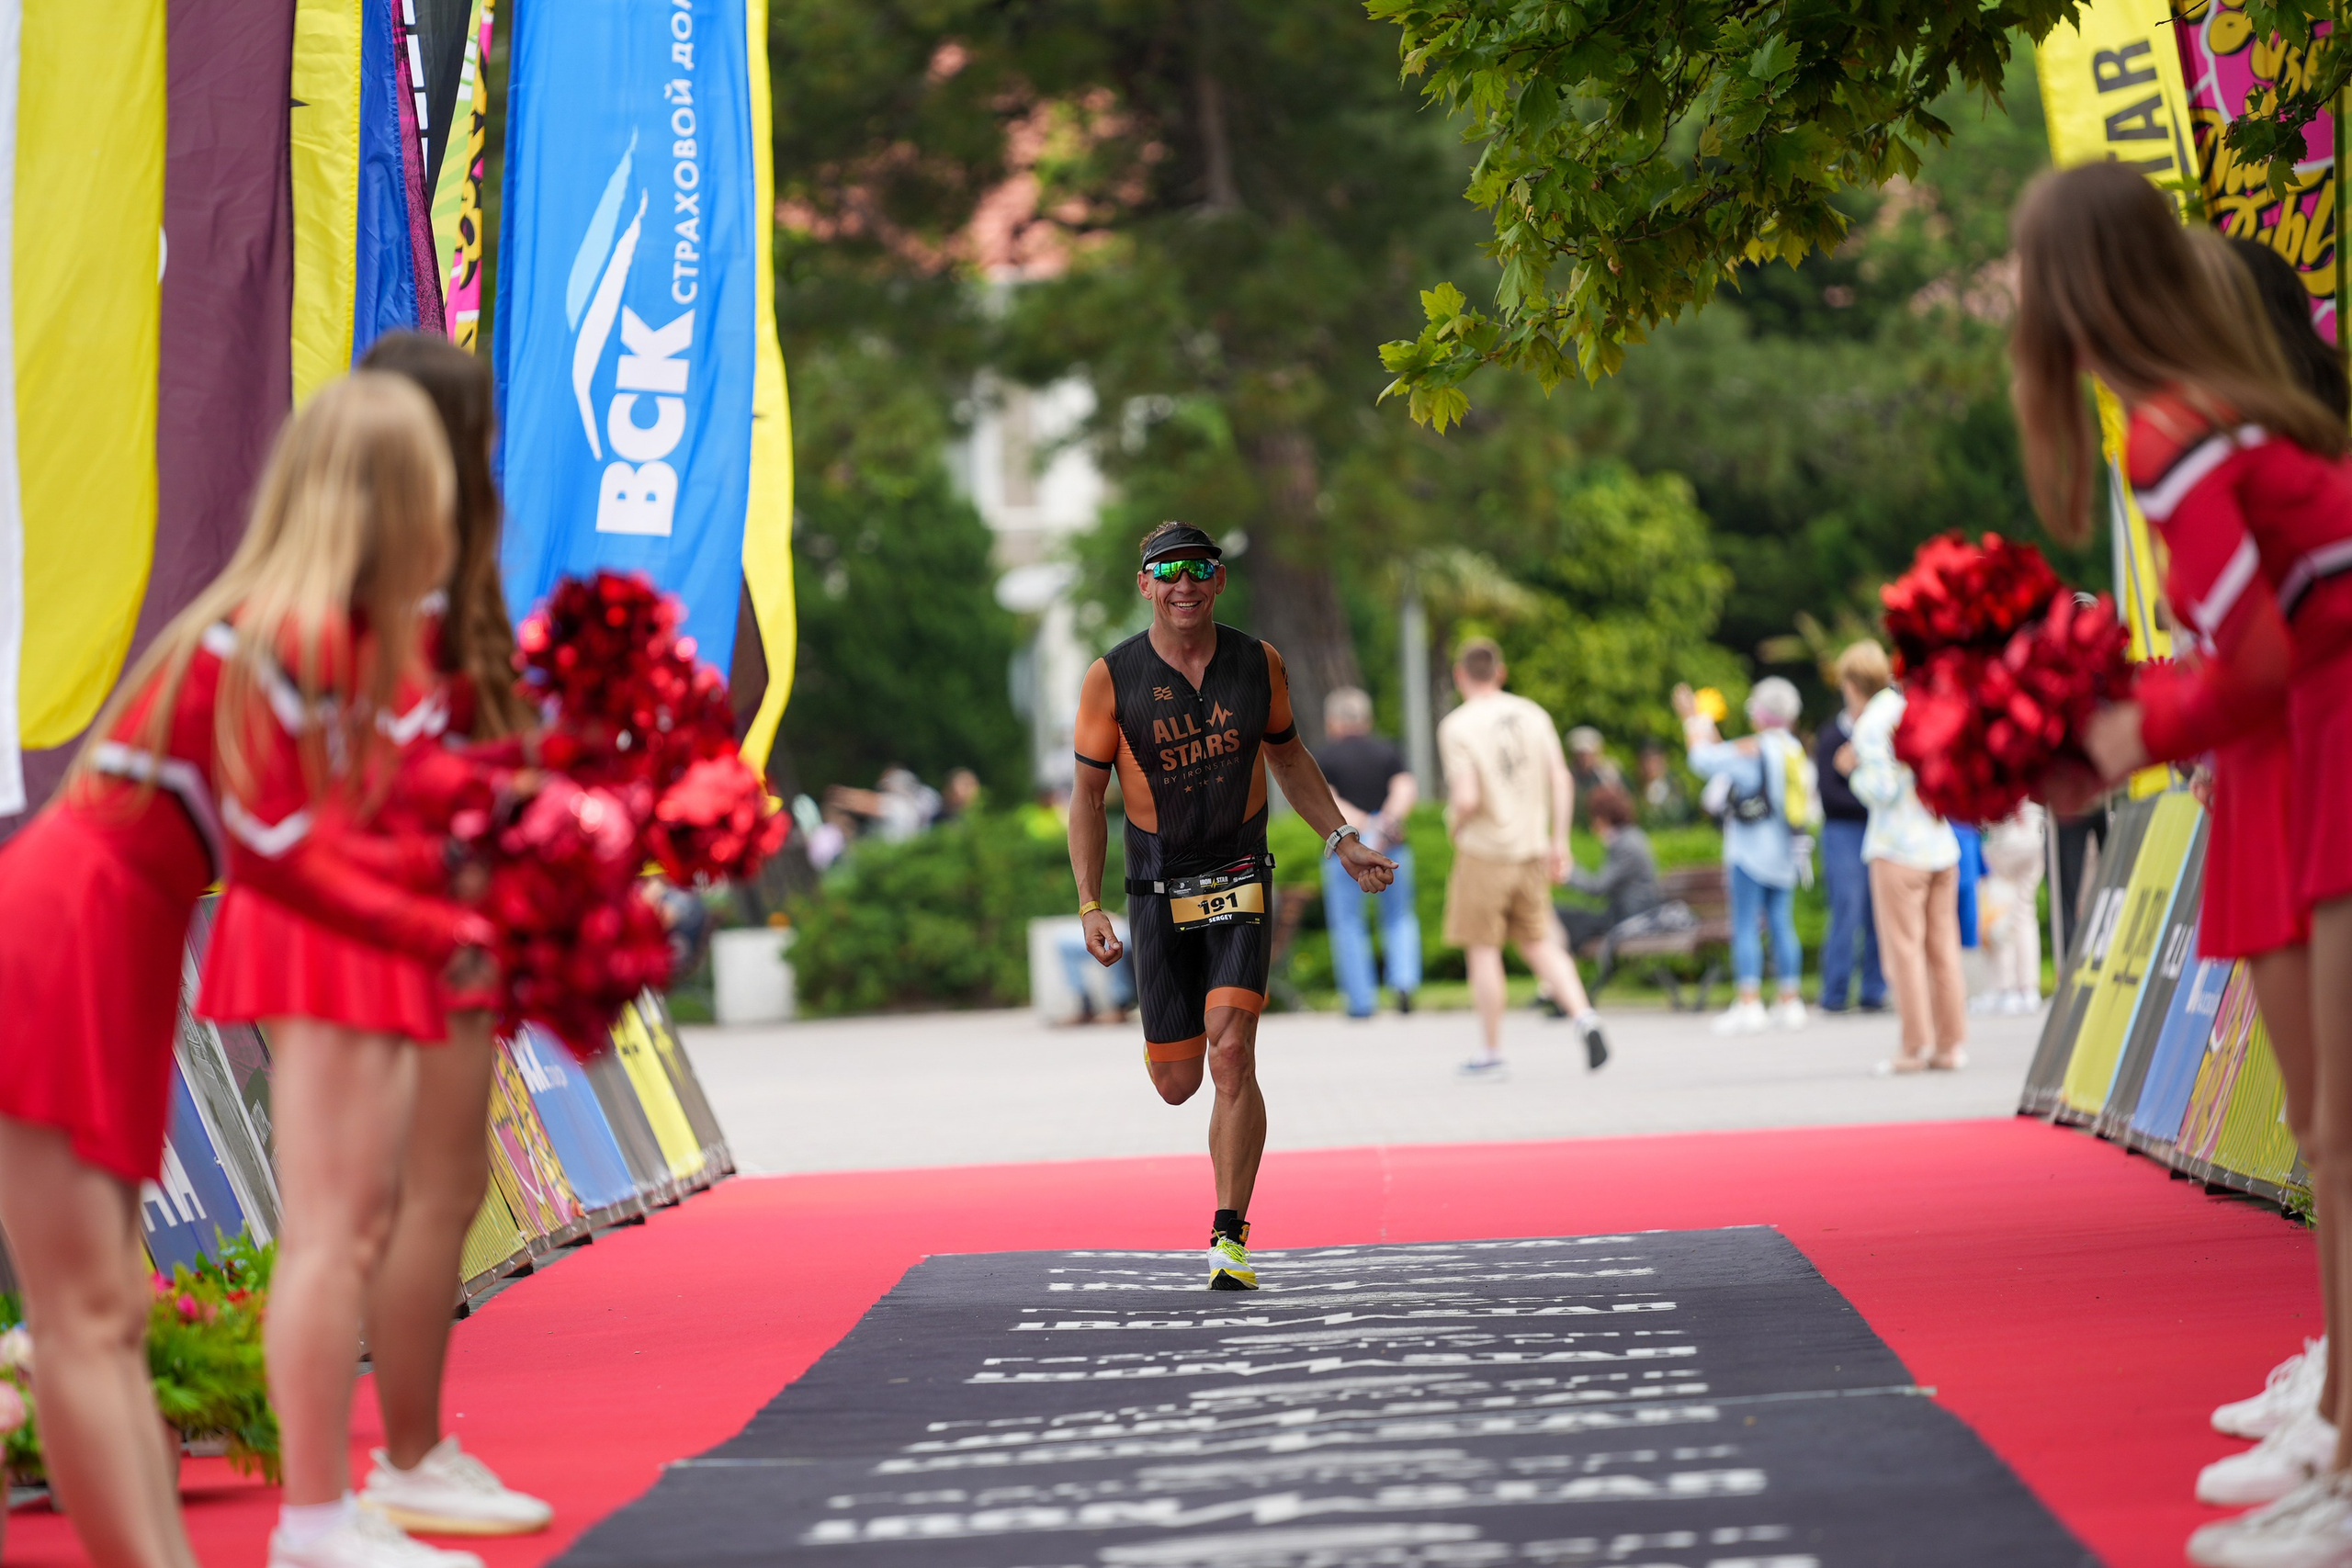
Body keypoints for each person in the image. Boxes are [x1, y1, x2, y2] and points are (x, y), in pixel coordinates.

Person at [0, 375, 494, 1568]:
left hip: (108, 929)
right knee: (83, 1314)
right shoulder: (288, 635)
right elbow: (294, 860)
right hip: (75, 928)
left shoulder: (282, 626)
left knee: (102, 1311)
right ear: (395, 502)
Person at [2007, 162, 2352, 1561]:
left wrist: (2109, 727)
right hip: (2310, 738)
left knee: (2341, 1131)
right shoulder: (2222, 416)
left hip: (2326, 738)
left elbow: (2259, 659)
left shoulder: (2173, 434)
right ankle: (2337, 1435)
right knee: (2333, 1133)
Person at [1068, 522, 1396, 1291]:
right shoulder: (1111, 677)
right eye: (1168, 571)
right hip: (1155, 889)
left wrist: (1342, 839)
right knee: (1178, 1080)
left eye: (1199, 570)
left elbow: (1288, 754)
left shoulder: (1260, 663)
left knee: (1233, 1052)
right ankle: (1171, 1057)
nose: (1185, 584)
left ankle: (1229, 1236)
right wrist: (1088, 901)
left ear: (1218, 581)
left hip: (1240, 874)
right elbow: (1086, 795)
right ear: (1145, 584)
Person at [349, 332, 555, 1540]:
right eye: (478, 431)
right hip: (408, 916)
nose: (493, 453)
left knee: (421, 1189)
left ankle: (405, 1450)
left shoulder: (431, 577)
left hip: (431, 907)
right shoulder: (404, 587)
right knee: (409, 1194)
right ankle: (400, 1453)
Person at [1438, 637, 1609, 1076]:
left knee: (1483, 949)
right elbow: (1561, 778)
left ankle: (1492, 1053)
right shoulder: (1534, 714)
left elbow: (1467, 797)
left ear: (1460, 675)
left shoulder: (1458, 725)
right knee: (1539, 941)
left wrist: (1452, 823)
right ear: (1501, 672)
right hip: (1532, 849)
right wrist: (1560, 841)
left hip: (1484, 853)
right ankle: (1584, 1017)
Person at [1845, 661, 1966, 1072]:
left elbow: (1882, 788)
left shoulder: (1870, 724)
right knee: (1944, 951)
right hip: (1939, 842)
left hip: (1898, 848)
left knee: (1905, 953)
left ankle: (1914, 1047)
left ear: (1852, 685)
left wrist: (1853, 773)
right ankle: (1950, 1046)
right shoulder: (1917, 709)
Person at [1675, 678, 1812, 1034]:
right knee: (1782, 923)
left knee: (1746, 924)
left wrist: (1693, 720)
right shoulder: (1793, 750)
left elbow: (1703, 759)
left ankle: (1749, 1002)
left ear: (1760, 713)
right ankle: (1789, 1000)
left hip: (1750, 852)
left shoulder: (1756, 747)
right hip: (1785, 852)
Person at [1314, 685, 1420, 1017]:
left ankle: (1361, 1001)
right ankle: (1403, 981)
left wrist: (1362, 826)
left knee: (1349, 923)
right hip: (1393, 847)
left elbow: (1326, 797)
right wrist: (1386, 821)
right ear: (1367, 719)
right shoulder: (1387, 750)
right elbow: (1406, 786)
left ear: (1333, 722)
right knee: (1399, 916)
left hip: (1346, 850)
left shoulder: (1325, 757)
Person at [1815, 644, 1890, 1014]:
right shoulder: (1832, 736)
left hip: (1879, 828)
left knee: (1880, 911)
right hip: (1843, 832)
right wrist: (1866, 791)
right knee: (1846, 907)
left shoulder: (1883, 729)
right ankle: (1835, 991)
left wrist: (1858, 779)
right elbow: (1829, 796)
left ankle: (1874, 990)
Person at [1557, 785, 1661, 953]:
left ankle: (1560, 973)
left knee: (1560, 915)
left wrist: (1566, 871)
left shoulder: (1626, 845)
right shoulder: (1630, 837)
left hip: (1629, 920)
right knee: (1566, 915)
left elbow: (1597, 887)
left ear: (1602, 817)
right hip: (1627, 915)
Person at [1977, 804, 2046, 1015]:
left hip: (2004, 837)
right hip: (2032, 832)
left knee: (2002, 913)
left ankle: (2005, 987)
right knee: (2024, 913)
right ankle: (2027, 988)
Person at [1565, 727, 1622, 828]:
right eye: (1580, 754)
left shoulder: (1608, 775)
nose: (1584, 758)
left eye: (1588, 754)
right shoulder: (1567, 776)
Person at [1635, 739, 1693, 828]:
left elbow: (1679, 814)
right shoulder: (1637, 789)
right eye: (1648, 762)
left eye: (1655, 761)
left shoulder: (1675, 785)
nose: (1652, 767)